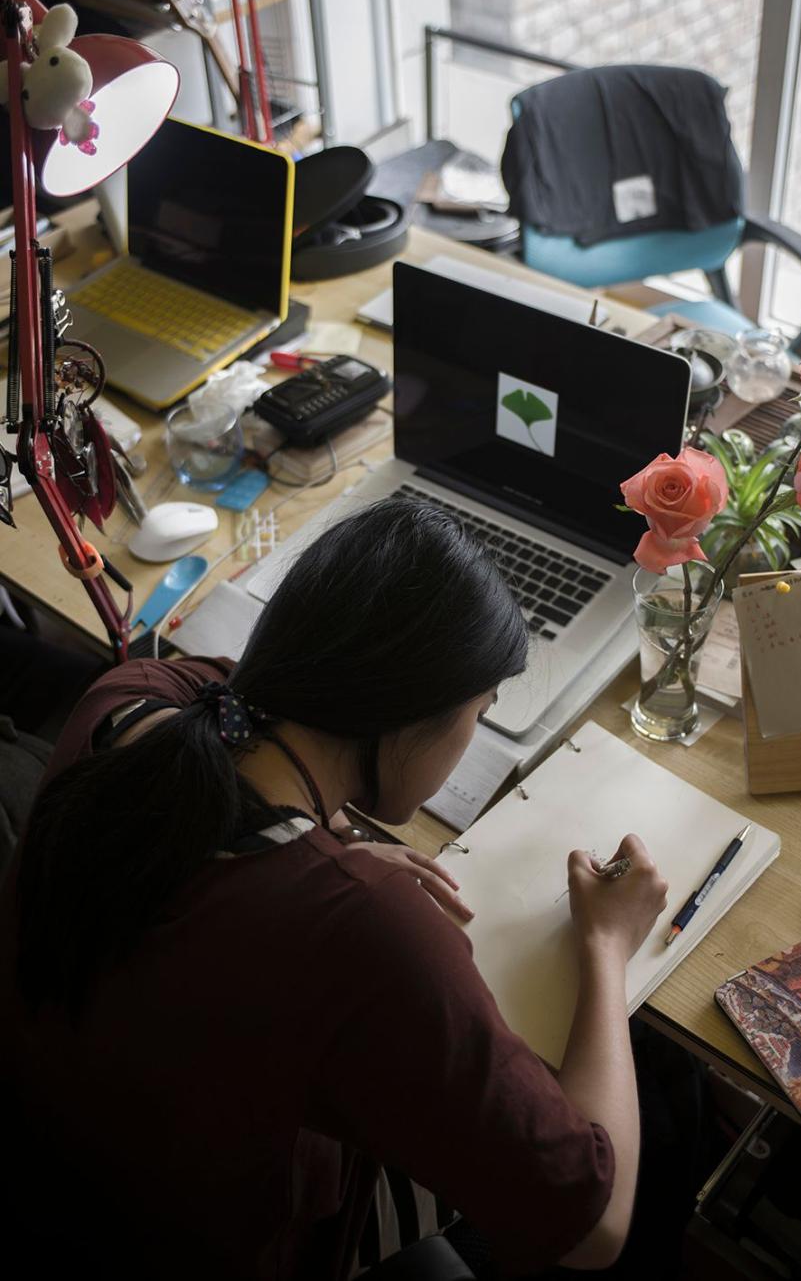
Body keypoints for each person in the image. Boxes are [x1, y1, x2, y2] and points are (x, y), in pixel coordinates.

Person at [0, 498, 669, 1280]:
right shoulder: (362, 930)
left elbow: (242, 710)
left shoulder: (133, 696)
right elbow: (594, 1226)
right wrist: (607, 943)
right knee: (651, 1101)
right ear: (403, 714)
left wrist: (324, 844)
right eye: (477, 714)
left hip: (68, 1157)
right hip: (221, 1238)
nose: (471, 738)